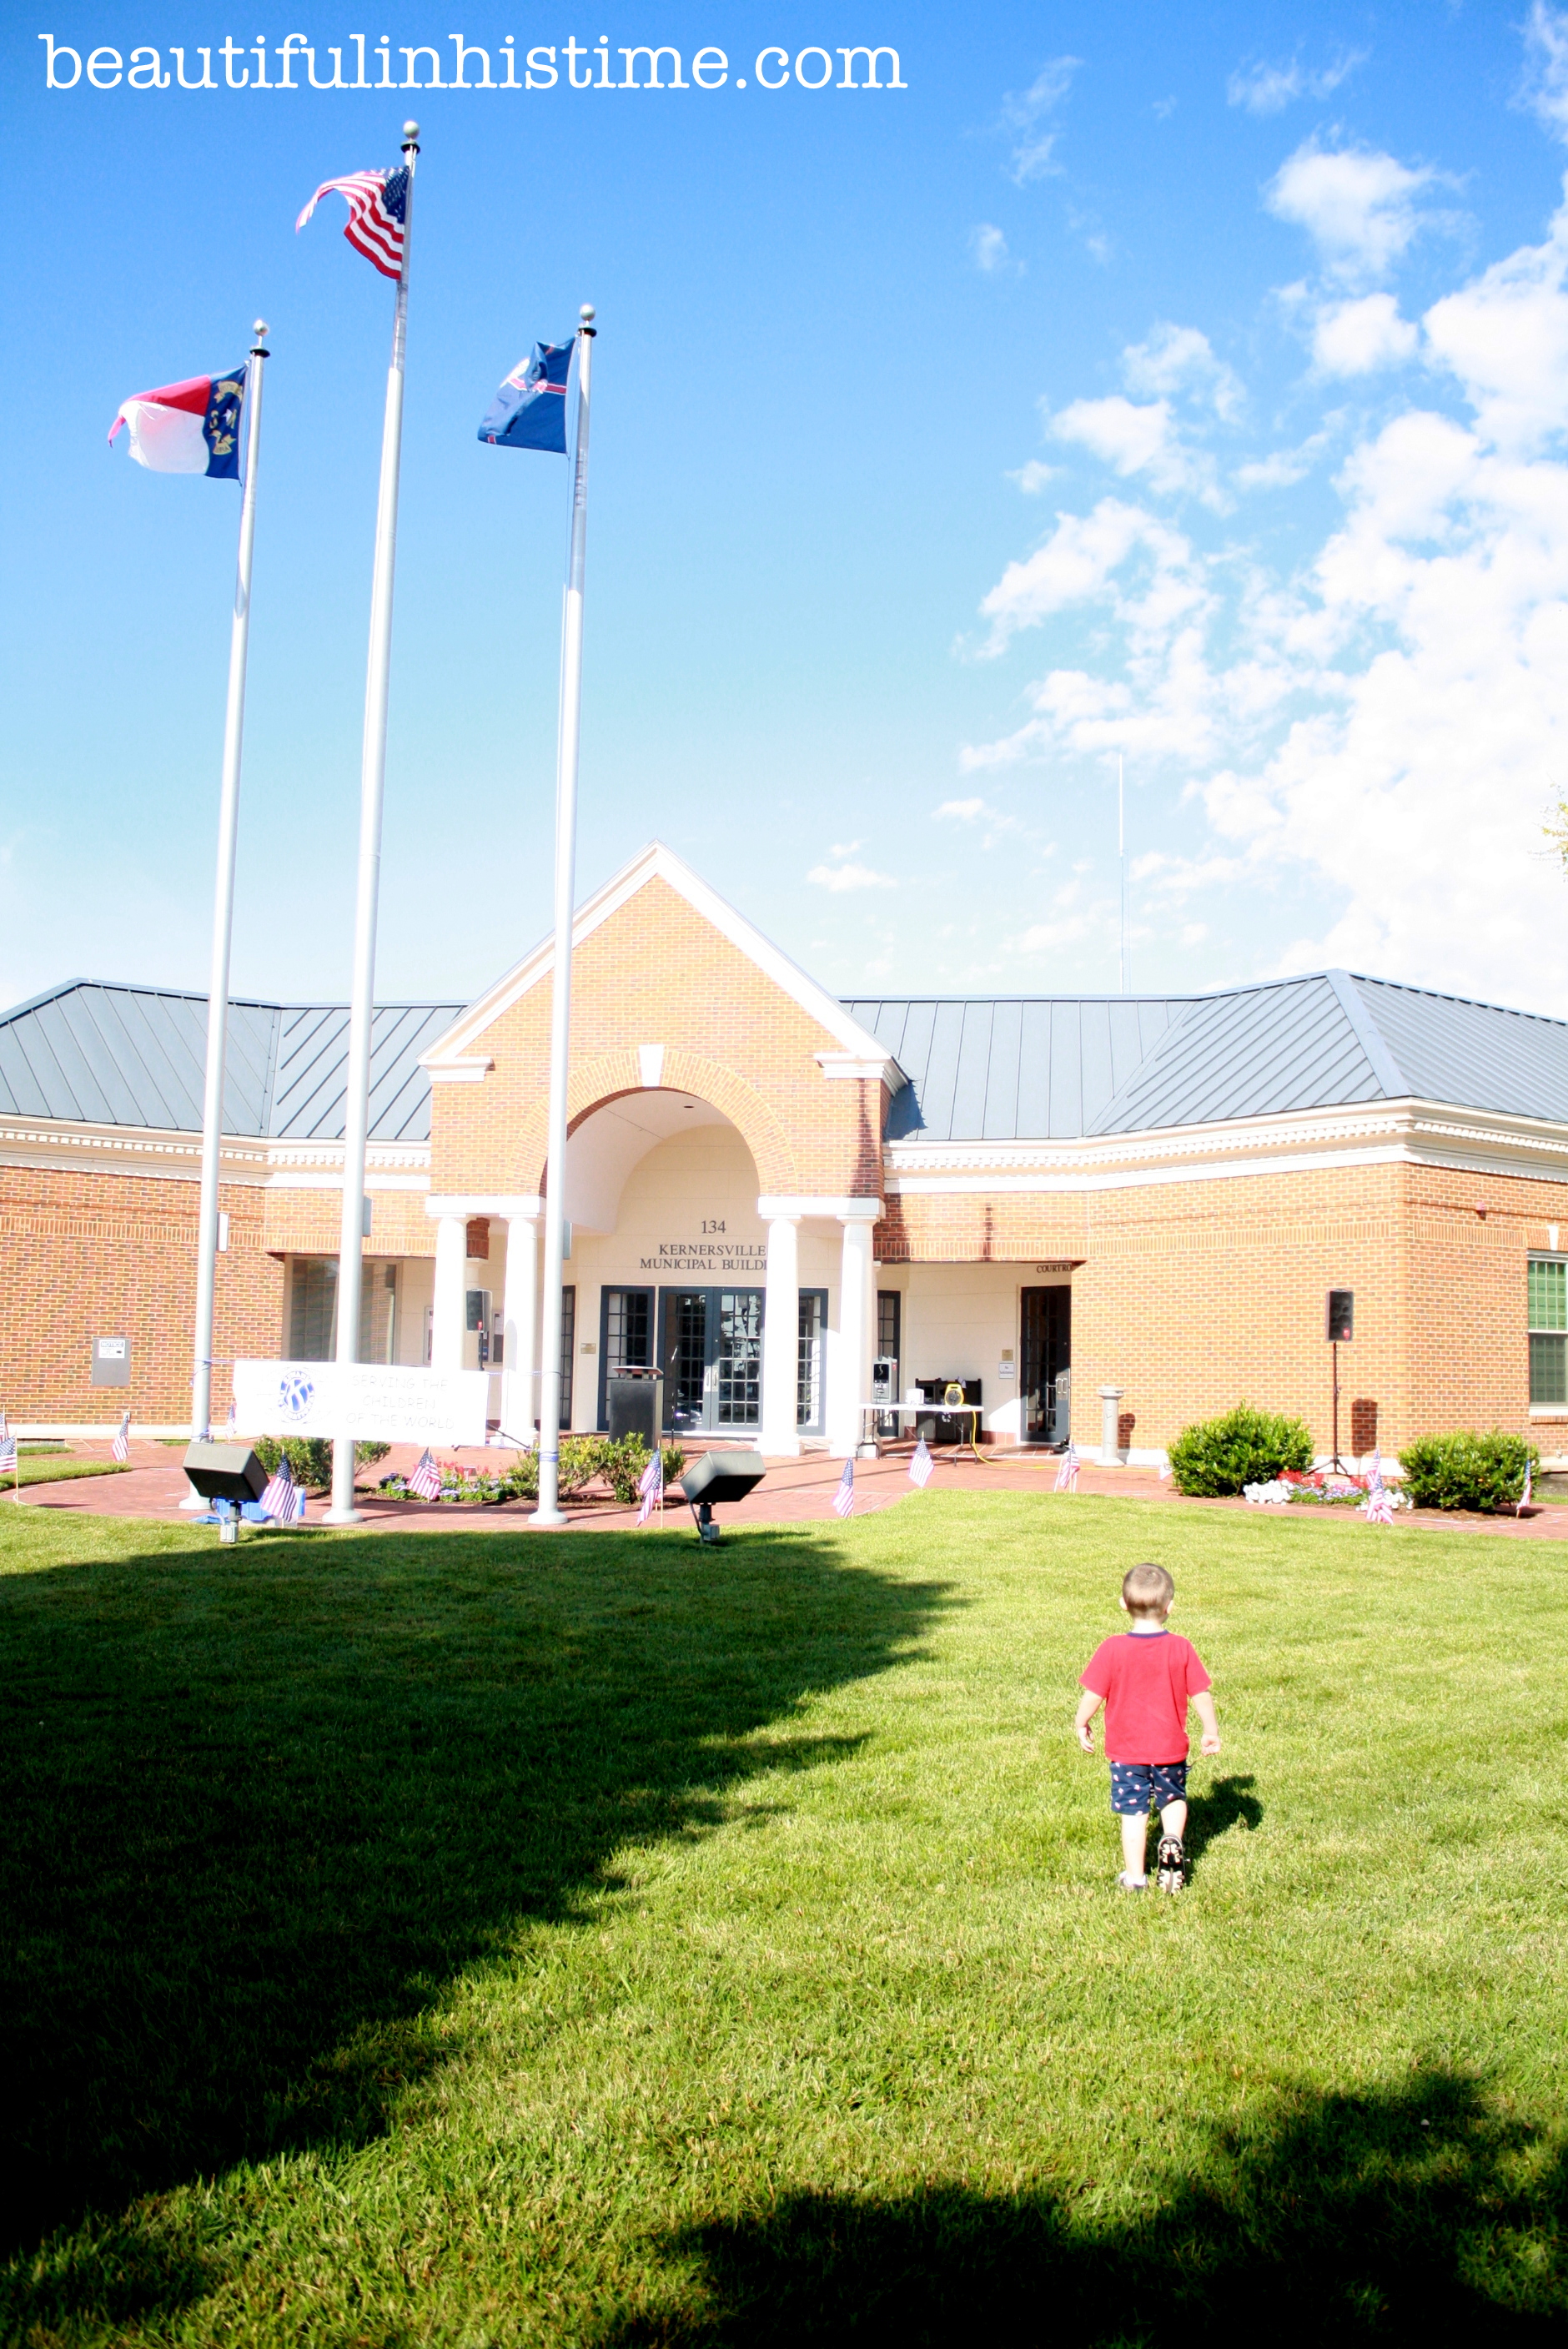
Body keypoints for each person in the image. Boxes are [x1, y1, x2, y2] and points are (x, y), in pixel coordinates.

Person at [1075, 1562, 1220, 1894]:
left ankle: (1135, 1877)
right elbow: (1200, 1693)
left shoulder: (1112, 1648)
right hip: (1170, 1747)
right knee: (1173, 1798)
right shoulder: (1181, 1647)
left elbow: (1094, 1693)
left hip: (1127, 1752)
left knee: (1134, 1812)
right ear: (1170, 1607)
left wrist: (1081, 1722)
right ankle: (1172, 1840)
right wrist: (1210, 1730)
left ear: (1123, 1604)